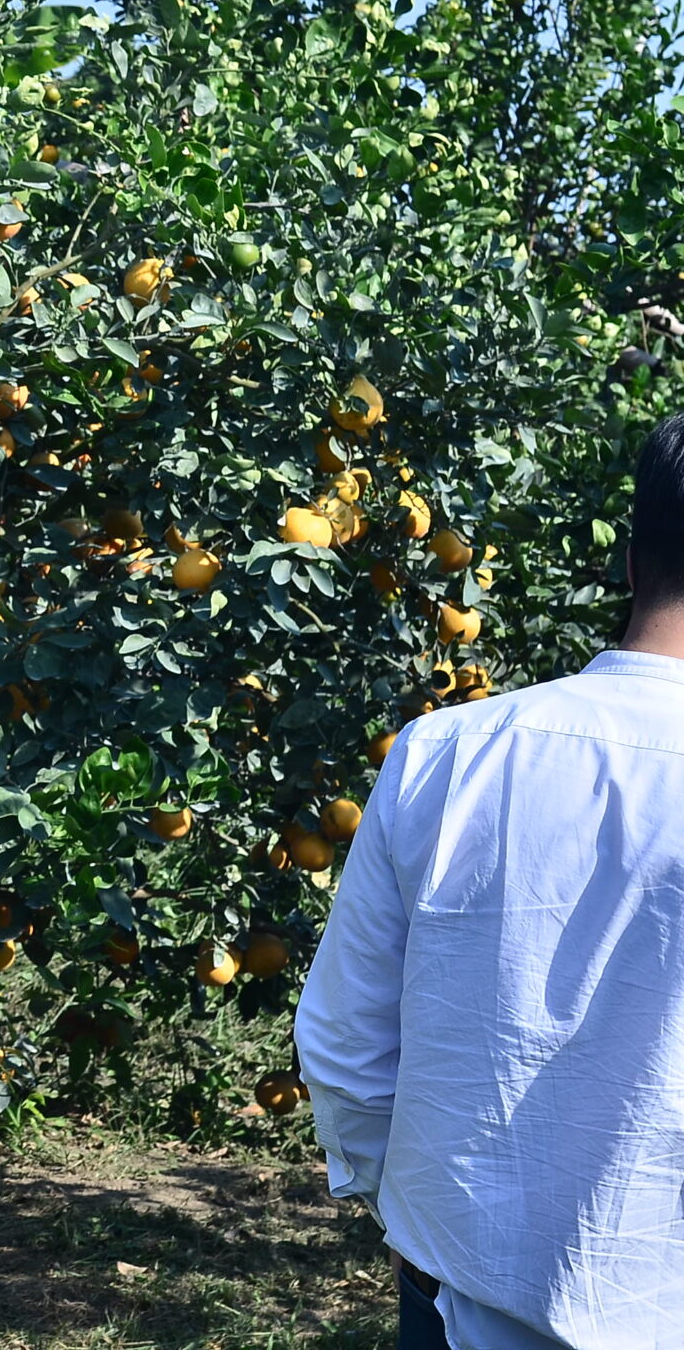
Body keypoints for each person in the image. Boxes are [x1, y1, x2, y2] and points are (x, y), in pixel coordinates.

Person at [299, 411, 684, 1350]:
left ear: (630, 562)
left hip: (462, 1291)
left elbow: (348, 1040)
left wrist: (406, 1208)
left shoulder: (445, 753)